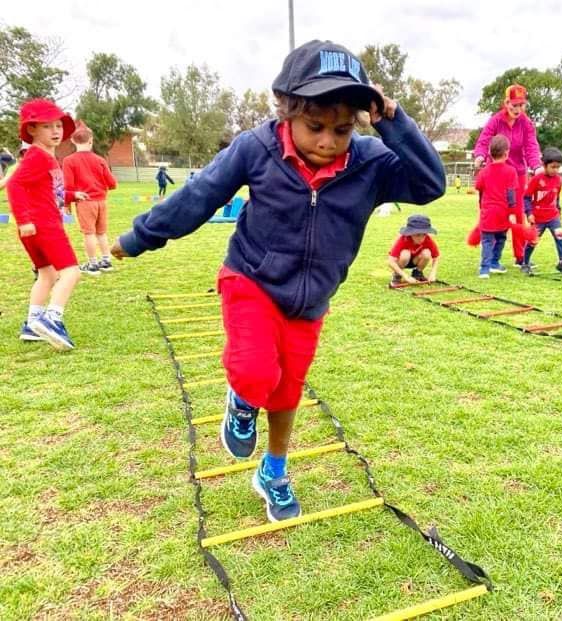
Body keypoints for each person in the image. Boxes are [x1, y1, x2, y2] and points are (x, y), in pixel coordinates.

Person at [111, 40, 445, 522]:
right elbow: (199, 197)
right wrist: (138, 237)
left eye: (342, 128)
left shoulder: (370, 162)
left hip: (310, 301)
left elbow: (430, 184)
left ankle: (273, 470)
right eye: (315, 126)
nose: (328, 141)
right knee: (255, 372)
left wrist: (393, 118)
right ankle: (241, 397)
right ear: (286, 110)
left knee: (288, 391)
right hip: (251, 279)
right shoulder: (257, 147)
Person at [6, 99, 87, 350]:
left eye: (58, 126)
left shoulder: (46, 158)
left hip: (36, 226)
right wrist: (25, 220)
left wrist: (73, 196)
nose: (56, 131)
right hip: (44, 225)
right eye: (47, 126)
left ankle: (32, 324)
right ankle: (53, 318)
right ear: (31, 130)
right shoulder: (38, 156)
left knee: (47, 274)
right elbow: (14, 184)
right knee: (72, 272)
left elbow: (51, 191)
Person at [472, 84, 542, 266]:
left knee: (517, 214)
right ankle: (491, 258)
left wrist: (536, 166)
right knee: (492, 213)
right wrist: (480, 155)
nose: (518, 109)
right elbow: (484, 139)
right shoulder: (496, 120)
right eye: (514, 105)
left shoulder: (526, 123)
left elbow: (531, 146)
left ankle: (520, 257)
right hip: (494, 173)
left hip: (516, 175)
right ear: (506, 102)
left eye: (521, 105)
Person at [62, 123, 118, 276]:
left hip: (85, 202)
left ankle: (92, 264)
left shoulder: (69, 161)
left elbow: (68, 186)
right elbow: (112, 183)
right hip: (101, 202)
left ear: (72, 141)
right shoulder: (100, 160)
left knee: (89, 234)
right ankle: (106, 261)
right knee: (101, 233)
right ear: (91, 140)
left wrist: (67, 203)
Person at [522, 147, 562, 276]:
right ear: (544, 165)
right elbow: (526, 197)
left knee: (560, 237)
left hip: (553, 216)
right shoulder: (536, 180)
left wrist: (559, 213)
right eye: (553, 167)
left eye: (558, 167)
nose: (555, 170)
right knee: (533, 241)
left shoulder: (558, 181)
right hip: (538, 217)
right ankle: (525, 263)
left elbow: (557, 198)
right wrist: (529, 213)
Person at [474, 135, 518, 278]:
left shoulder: (484, 172)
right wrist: (512, 211)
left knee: (486, 240)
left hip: (487, 212)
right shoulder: (511, 171)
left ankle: (484, 269)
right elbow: (511, 193)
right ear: (506, 153)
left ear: (490, 153)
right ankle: (494, 262)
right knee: (501, 238)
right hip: (502, 212)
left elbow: (479, 188)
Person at [388, 214, 440, 285]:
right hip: (401, 261)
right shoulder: (403, 239)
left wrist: (433, 273)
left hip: (416, 260)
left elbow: (436, 257)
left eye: (424, 234)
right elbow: (391, 261)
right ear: (410, 233)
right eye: (417, 235)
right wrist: (405, 276)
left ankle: (417, 273)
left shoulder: (428, 239)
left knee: (427, 253)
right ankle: (397, 275)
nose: (421, 238)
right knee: (405, 254)